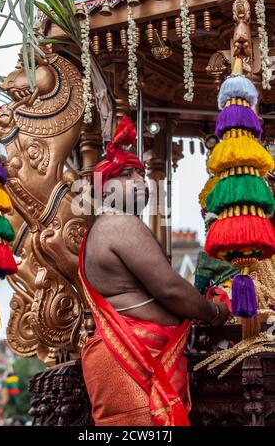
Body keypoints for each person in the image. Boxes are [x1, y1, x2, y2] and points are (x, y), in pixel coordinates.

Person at [79, 116, 229, 427]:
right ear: (104, 188)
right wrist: (214, 312)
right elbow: (170, 289)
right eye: (126, 173)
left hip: (135, 360)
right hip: (131, 361)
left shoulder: (108, 227)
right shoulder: (118, 224)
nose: (139, 180)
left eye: (141, 173)